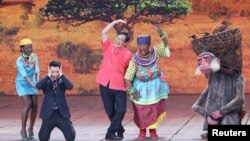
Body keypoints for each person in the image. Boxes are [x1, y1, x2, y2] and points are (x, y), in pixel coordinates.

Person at [124, 25, 170, 140]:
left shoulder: (156, 51)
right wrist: (132, 90)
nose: (142, 48)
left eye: (145, 46)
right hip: (140, 88)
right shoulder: (134, 60)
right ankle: (142, 131)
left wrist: (161, 33)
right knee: (141, 110)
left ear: (149, 45)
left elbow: (165, 43)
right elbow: (128, 77)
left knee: (154, 109)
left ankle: (153, 131)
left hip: (155, 87)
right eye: (140, 46)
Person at [192, 52, 245, 139]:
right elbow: (195, 106)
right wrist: (209, 117)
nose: (203, 62)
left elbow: (240, 99)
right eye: (199, 60)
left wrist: (221, 112)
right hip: (214, 118)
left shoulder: (237, 77)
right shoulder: (212, 79)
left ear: (217, 60)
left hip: (229, 114)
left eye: (206, 58)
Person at [96, 19, 133, 140]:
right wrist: (115, 22)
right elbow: (104, 32)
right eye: (117, 38)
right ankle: (119, 129)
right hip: (104, 83)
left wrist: (130, 85)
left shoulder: (128, 55)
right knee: (110, 111)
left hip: (119, 86)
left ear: (125, 44)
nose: (117, 41)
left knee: (121, 110)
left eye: (121, 40)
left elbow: (130, 71)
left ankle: (110, 133)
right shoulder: (108, 47)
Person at [36, 61, 75, 141]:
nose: (55, 74)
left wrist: (62, 75)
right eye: (53, 71)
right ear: (49, 70)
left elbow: (70, 86)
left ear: (60, 71)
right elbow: (38, 86)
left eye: (57, 72)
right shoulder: (46, 80)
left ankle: (69, 124)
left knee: (70, 137)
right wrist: (48, 75)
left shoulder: (62, 80)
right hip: (49, 114)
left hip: (61, 113)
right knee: (43, 138)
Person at [15, 38, 39, 141]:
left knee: (35, 104)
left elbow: (37, 70)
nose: (30, 49)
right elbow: (25, 76)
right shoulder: (19, 61)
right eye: (27, 47)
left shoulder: (34, 57)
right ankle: (23, 130)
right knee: (28, 103)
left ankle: (31, 129)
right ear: (22, 49)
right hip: (22, 84)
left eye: (30, 47)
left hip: (33, 82)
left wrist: (37, 82)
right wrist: (34, 85)